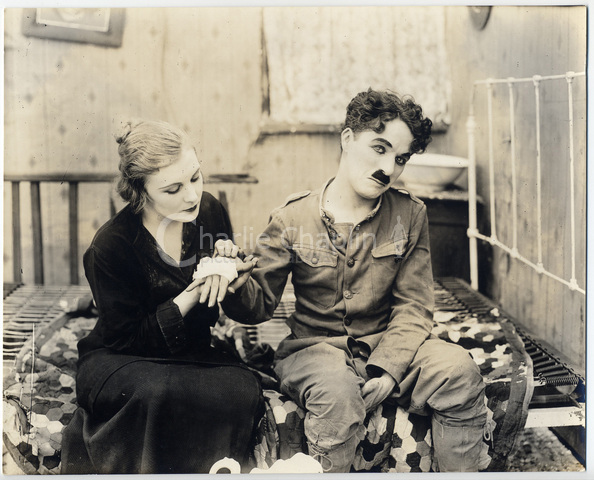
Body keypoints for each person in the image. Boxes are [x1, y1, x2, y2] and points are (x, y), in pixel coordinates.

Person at [221, 89, 491, 472]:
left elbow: (414, 305)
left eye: (400, 158)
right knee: (337, 395)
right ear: (347, 139)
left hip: (388, 343)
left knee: (459, 370)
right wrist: (233, 282)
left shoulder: (410, 214)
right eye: (378, 149)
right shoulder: (291, 218)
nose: (389, 168)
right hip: (314, 351)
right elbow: (258, 303)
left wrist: (387, 370)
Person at [61, 119, 261, 474]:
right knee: (158, 392)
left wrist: (229, 271)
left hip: (191, 355)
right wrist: (192, 293)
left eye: (196, 178)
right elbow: (127, 339)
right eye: (173, 189)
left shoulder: (210, 211)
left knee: (241, 389)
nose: (192, 195)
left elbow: (227, 301)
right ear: (141, 191)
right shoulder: (110, 246)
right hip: (122, 358)